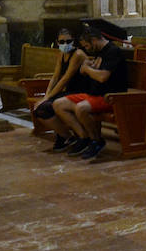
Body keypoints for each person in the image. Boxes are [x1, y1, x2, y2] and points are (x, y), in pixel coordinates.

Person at [53, 27, 130, 161]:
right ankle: (83, 138)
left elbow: (102, 77)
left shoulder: (113, 51)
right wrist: (89, 67)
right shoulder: (100, 51)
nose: (87, 49)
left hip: (110, 97)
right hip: (94, 94)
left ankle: (96, 140)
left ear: (94, 40)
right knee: (58, 104)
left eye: (87, 45)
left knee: (80, 108)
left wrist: (87, 69)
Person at [40, 28, 90, 150]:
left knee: (47, 106)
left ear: (73, 41)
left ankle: (82, 137)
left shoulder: (77, 54)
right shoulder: (61, 54)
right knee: (41, 110)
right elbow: (56, 76)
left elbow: (65, 79)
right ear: (57, 42)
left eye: (68, 41)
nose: (65, 44)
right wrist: (46, 96)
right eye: (62, 42)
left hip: (81, 91)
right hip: (69, 91)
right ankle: (65, 136)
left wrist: (48, 98)